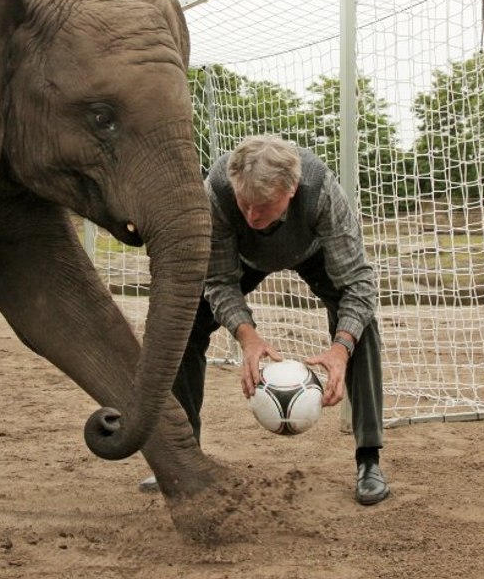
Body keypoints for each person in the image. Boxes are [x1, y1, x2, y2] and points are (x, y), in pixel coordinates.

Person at [141, 135, 390, 505]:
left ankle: (368, 460)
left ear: (291, 190)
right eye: (245, 205)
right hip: (245, 259)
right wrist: (248, 337)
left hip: (314, 251)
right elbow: (220, 279)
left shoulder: (320, 189)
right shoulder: (218, 191)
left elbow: (358, 282)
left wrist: (341, 348)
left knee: (360, 324)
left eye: (264, 206)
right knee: (187, 321)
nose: (253, 217)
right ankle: (182, 455)